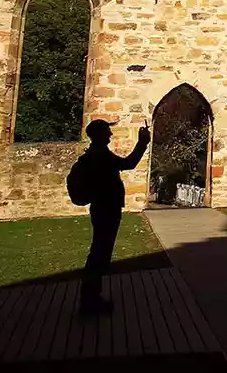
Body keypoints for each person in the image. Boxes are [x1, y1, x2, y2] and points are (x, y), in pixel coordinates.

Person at [74, 118, 149, 313]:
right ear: (99, 135)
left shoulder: (97, 154)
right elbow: (129, 163)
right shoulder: (101, 156)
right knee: (100, 253)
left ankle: (91, 298)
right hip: (106, 209)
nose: (111, 134)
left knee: (99, 251)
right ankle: (90, 301)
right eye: (107, 131)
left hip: (103, 208)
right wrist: (142, 142)